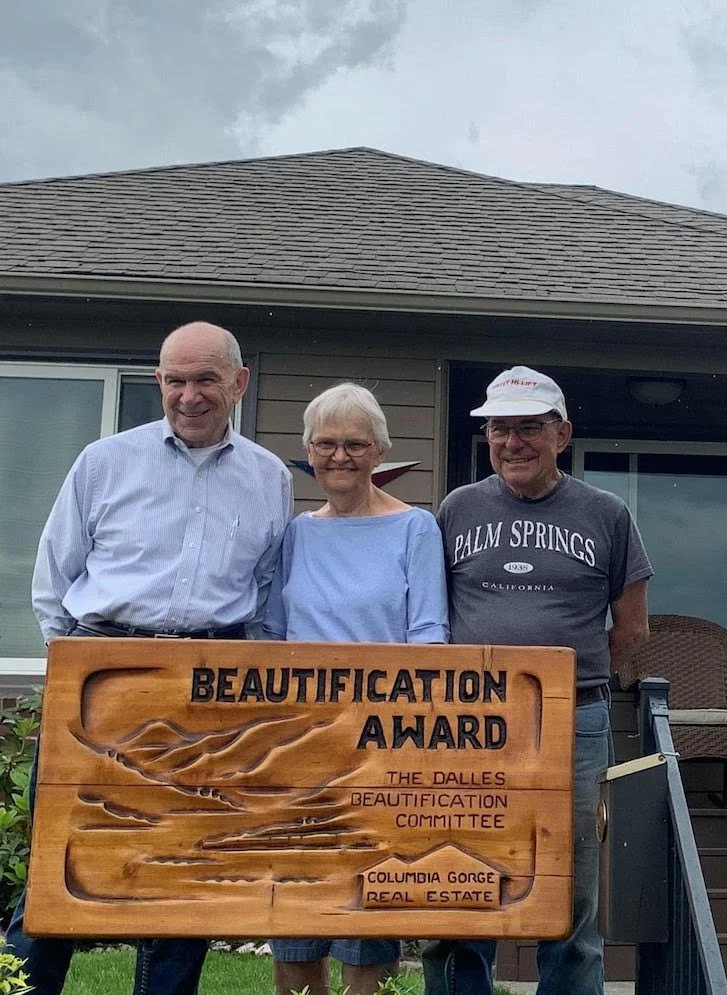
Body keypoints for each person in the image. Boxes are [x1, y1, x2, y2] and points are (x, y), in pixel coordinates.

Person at [9, 321, 293, 995]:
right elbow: (54, 578)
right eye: (175, 380)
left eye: (206, 380)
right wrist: (79, 671)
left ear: (239, 383)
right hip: (102, 673)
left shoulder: (270, 477)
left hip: (209, 684)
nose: (189, 396)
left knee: (186, 867)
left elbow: (264, 597)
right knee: (63, 859)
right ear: (159, 381)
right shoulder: (104, 462)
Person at [423, 366, 652, 995]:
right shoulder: (457, 509)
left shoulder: (607, 513)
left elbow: (632, 627)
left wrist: (560, 674)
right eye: (499, 429)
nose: (512, 442)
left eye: (529, 427)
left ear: (562, 435)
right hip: (470, 721)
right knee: (459, 873)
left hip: (573, 719)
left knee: (569, 884)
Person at [263, 382, 449, 995]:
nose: (339, 457)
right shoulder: (297, 533)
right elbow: (273, 635)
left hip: (379, 745)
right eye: (326, 444)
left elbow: (428, 638)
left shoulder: (415, 529)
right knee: (294, 908)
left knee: (366, 915)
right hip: (297, 745)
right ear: (308, 452)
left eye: (355, 444)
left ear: (380, 452)